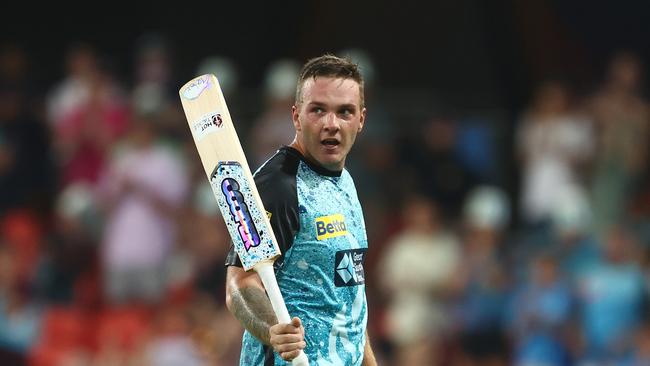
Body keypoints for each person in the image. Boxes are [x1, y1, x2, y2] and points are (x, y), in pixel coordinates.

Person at [225, 54, 377, 365]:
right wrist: (273, 329)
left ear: (361, 120)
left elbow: (350, 300)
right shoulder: (277, 186)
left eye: (344, 112)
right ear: (296, 116)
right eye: (318, 110)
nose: (331, 124)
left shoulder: (345, 182)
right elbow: (240, 283)